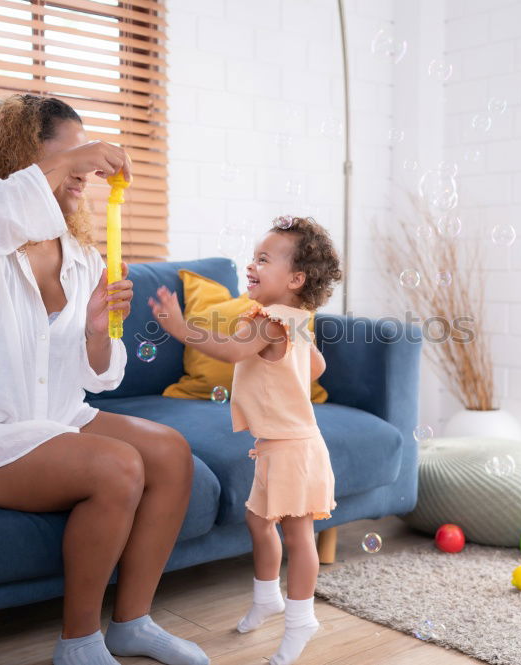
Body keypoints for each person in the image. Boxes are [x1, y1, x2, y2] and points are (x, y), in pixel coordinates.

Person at [0, 93, 208, 665]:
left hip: (56, 417)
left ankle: (133, 622)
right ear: (20, 159)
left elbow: (98, 375)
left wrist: (96, 331)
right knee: (118, 465)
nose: (87, 172)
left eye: (88, 162)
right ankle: (80, 643)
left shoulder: (82, 255)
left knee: (170, 451)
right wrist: (72, 160)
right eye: (72, 159)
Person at [149, 216, 342, 665]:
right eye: (253, 257)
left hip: (293, 448)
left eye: (263, 259)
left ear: (295, 279)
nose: (251, 265)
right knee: (258, 521)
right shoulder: (293, 319)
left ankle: (301, 621)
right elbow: (317, 369)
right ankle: (267, 598)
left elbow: (233, 351)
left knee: (298, 535)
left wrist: (180, 328)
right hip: (279, 444)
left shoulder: (272, 321)